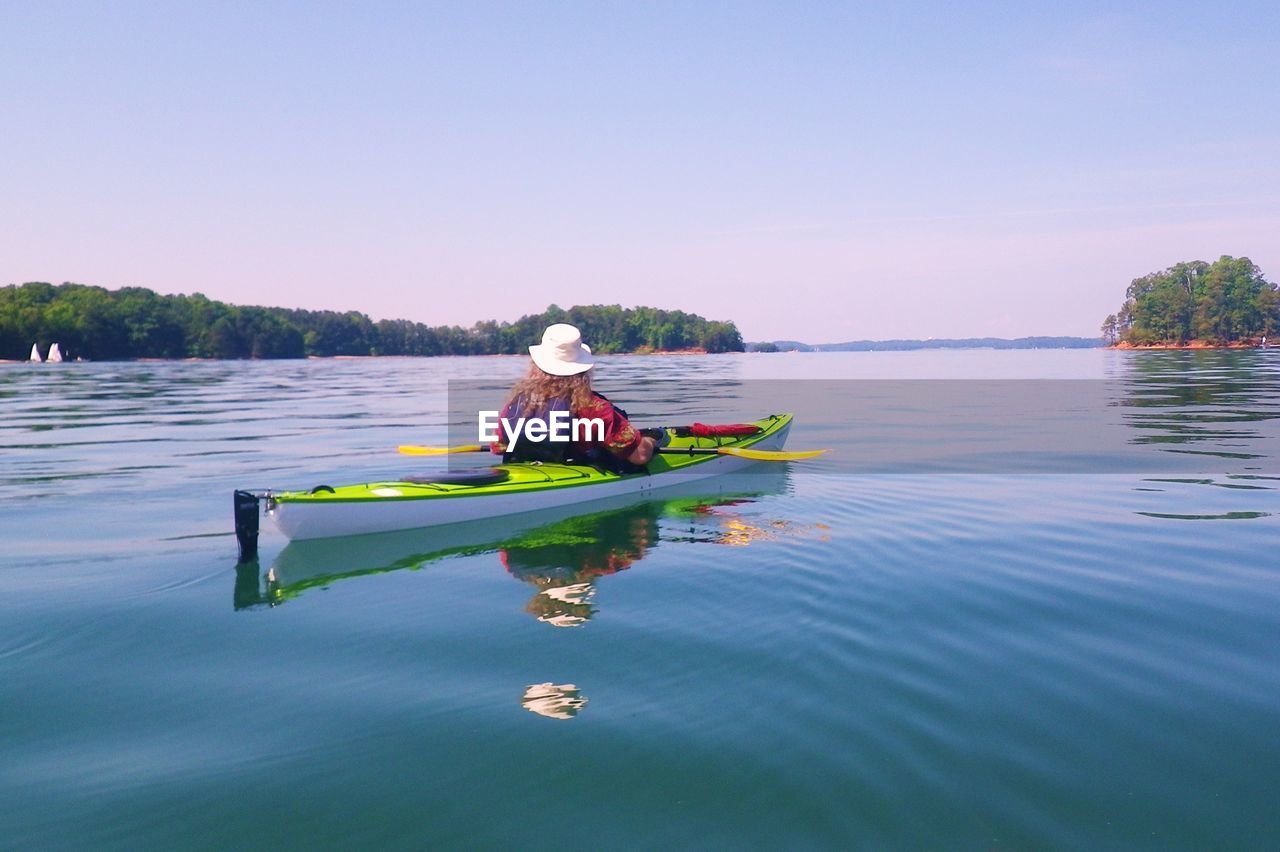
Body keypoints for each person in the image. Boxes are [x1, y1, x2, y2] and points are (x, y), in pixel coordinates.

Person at [493, 323, 656, 469]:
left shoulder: (518, 403)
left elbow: (497, 447)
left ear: (536, 366)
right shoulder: (595, 408)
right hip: (574, 476)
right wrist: (651, 441)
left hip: (524, 471)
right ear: (582, 370)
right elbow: (640, 456)